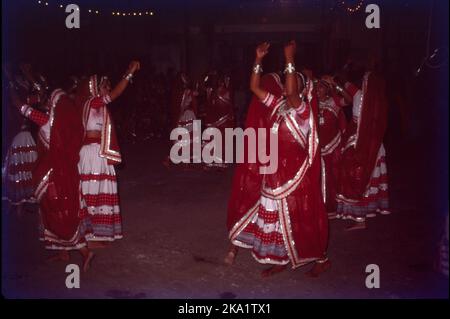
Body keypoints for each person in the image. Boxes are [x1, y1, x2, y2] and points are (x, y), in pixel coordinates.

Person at [225, 41, 329, 277]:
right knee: (281, 218)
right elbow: (254, 87)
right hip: (274, 172)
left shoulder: (303, 110)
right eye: (287, 79)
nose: (287, 83)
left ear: (303, 90)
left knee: (301, 216)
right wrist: (258, 60)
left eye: (293, 80)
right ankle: (283, 258)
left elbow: (292, 91)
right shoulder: (276, 103)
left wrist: (289, 59)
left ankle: (322, 259)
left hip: (294, 175)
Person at [12, 81, 94, 271]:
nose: (48, 104)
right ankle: (62, 252)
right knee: (53, 213)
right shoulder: (66, 125)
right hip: (63, 175)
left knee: (60, 215)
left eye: (51, 102)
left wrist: (14, 98)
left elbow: (26, 110)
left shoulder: (50, 123)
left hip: (54, 177)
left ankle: (85, 252)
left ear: (57, 105)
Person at [77, 61, 141, 248]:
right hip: (91, 154)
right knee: (91, 193)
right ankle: (87, 237)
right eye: (105, 86)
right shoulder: (92, 102)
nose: (108, 89)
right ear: (94, 89)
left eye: (107, 86)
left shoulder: (97, 105)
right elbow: (115, 95)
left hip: (99, 153)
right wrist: (129, 73)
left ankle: (95, 234)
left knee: (100, 192)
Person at [336, 67, 390, 230]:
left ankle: (360, 219)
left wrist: (337, 80)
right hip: (374, 147)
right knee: (366, 180)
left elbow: (346, 85)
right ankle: (362, 217)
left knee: (358, 179)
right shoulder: (377, 102)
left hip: (362, 146)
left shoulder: (360, 96)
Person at [315, 76, 349, 217]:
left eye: (321, 87)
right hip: (318, 149)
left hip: (334, 147)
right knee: (319, 179)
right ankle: (321, 209)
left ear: (327, 90)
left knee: (334, 178)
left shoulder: (333, 102)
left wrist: (336, 84)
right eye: (316, 87)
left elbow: (348, 100)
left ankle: (336, 208)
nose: (318, 90)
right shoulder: (311, 104)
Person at [203, 72, 235, 170]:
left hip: (216, 120)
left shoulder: (211, 91)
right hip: (220, 121)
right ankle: (217, 162)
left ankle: (212, 162)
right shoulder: (223, 92)